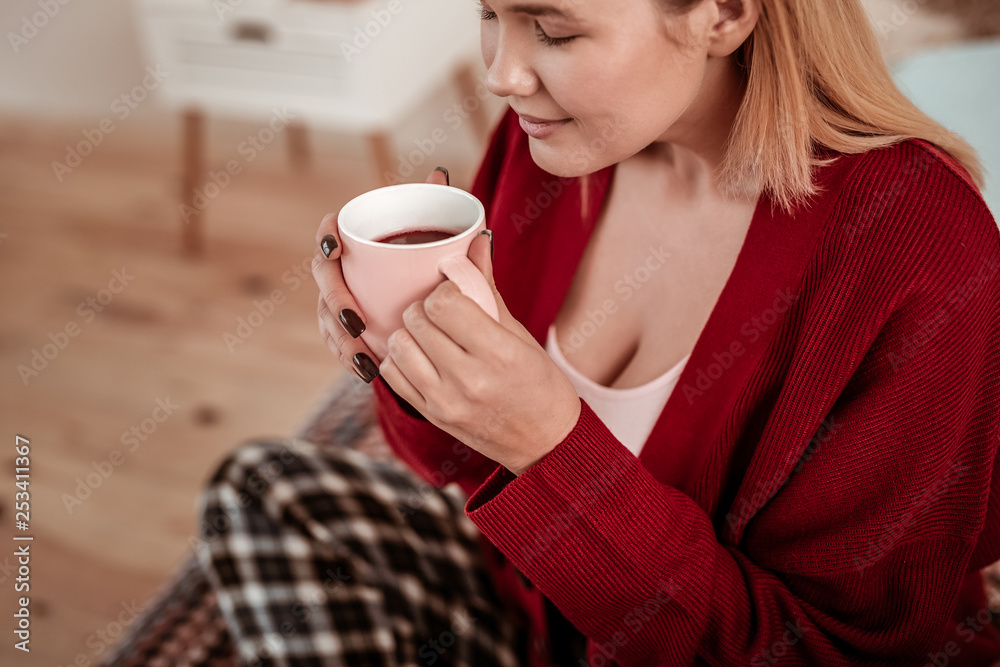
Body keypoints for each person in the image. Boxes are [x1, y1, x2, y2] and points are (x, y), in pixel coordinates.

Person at [111, 0, 1000, 665]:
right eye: (491, 15)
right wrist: (410, 372)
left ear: (723, 13)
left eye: (555, 30)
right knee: (264, 488)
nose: (503, 73)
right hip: (539, 613)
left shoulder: (921, 256)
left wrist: (552, 445)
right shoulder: (551, 149)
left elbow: (820, 651)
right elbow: (460, 471)